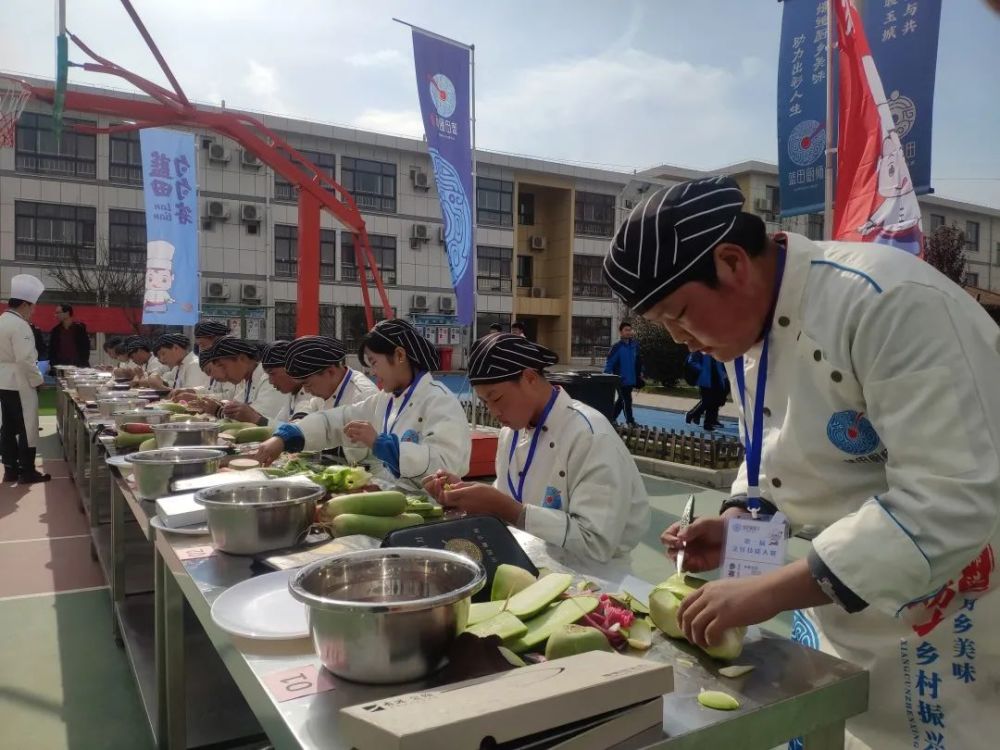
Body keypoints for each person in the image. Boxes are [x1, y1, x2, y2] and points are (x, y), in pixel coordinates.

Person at [602, 175, 1000, 750]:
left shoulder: (885, 302)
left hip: (951, 623)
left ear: (733, 261)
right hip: (841, 621)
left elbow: (949, 499)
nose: (682, 341)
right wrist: (743, 515)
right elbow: (773, 452)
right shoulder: (747, 332)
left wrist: (770, 592)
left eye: (680, 314)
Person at [424, 333, 650, 567]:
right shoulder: (510, 433)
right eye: (485, 403)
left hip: (598, 578)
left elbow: (596, 543)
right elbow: (507, 499)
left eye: (497, 398)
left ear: (530, 378)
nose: (494, 411)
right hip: (526, 562)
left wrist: (512, 511)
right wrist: (467, 496)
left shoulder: (589, 434)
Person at [255, 319, 470, 492]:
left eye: (374, 362)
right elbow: (336, 422)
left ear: (400, 355)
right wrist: (286, 437)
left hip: (432, 506)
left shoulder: (439, 400)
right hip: (397, 496)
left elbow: (446, 465)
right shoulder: (385, 400)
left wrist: (383, 445)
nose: (372, 372)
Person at [0, 274, 50, 483]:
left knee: (8, 427)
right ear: (23, 304)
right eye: (32, 307)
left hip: (3, 380)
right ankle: (28, 470)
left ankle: (10, 469)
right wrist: (38, 379)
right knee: (27, 426)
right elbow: (25, 359)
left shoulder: (2, 321)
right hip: (19, 382)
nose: (33, 311)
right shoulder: (20, 326)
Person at [188, 338, 285, 425]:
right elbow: (234, 404)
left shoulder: (269, 379)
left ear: (242, 358)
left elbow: (255, 418)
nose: (222, 372)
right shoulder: (247, 381)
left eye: (223, 366)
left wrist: (217, 410)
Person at [282, 335, 378, 410]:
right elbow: (310, 406)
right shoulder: (326, 390)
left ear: (330, 371)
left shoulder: (363, 398)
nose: (306, 391)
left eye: (307, 384)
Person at [258, 341, 324, 422]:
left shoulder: (313, 394)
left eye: (272, 374)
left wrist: (256, 419)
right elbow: (279, 425)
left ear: (290, 367)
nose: (271, 381)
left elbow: (297, 427)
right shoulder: (291, 395)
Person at [604, 320, 642, 426]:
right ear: (621, 332)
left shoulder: (635, 346)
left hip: (631, 379)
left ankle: (611, 418)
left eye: (630, 330)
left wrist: (641, 372)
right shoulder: (617, 347)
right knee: (627, 400)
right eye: (626, 330)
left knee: (621, 401)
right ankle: (630, 422)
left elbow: (639, 361)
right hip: (620, 379)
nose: (628, 332)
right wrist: (607, 376)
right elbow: (610, 362)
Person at [191, 320, 235, 400]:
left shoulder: (230, 362)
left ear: (217, 339)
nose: (201, 351)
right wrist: (192, 391)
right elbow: (210, 389)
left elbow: (230, 396)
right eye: (199, 346)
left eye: (203, 345)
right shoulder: (211, 361)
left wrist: (197, 397)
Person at [684, 351, 728, 431]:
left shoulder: (716, 348)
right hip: (706, 379)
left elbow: (721, 362)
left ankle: (710, 422)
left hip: (717, 379)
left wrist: (723, 372)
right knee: (707, 401)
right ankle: (692, 415)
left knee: (716, 402)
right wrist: (702, 370)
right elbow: (691, 361)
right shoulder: (700, 349)